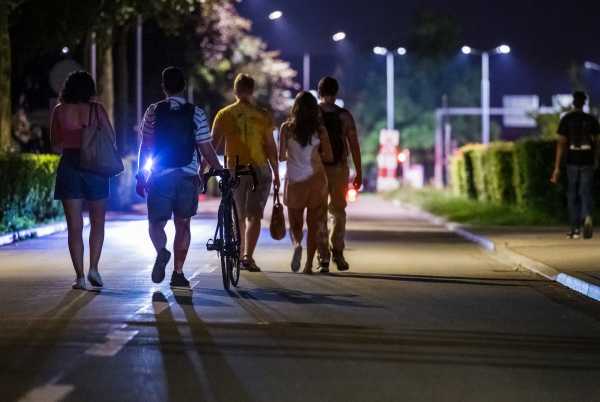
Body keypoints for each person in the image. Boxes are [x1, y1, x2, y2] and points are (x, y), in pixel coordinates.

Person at [136, 67, 223, 289]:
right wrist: (219, 169)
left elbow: (145, 146)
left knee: (156, 223)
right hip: (187, 176)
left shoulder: (153, 111)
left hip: (160, 176)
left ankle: (161, 251)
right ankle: (178, 272)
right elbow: (206, 148)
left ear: (164, 86)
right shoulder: (196, 113)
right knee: (183, 224)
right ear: (184, 86)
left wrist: (140, 175)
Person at [211, 74, 280, 272]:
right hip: (259, 170)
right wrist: (276, 173)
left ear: (235, 90)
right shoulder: (263, 115)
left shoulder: (224, 114)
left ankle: (239, 253)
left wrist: (202, 170)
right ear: (252, 91)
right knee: (254, 216)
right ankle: (248, 256)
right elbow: (270, 147)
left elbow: (212, 145)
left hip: (235, 170)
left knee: (238, 215)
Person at [50, 71, 110, 290]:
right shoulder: (97, 109)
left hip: (69, 166)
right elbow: (110, 138)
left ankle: (80, 277)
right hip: (95, 166)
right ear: (89, 89)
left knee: (74, 226)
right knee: (97, 222)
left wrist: (73, 139)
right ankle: (94, 268)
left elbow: (55, 143)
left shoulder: (59, 111)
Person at [279, 92, 333, 274]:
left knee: (295, 223)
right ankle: (309, 265)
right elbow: (329, 155)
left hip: (294, 180)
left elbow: (281, 156)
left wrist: (294, 155)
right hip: (316, 181)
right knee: (314, 224)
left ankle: (296, 245)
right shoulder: (320, 130)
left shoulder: (286, 129)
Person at [317, 77, 363, 272]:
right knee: (338, 211)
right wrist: (359, 172)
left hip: (316, 169)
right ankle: (338, 252)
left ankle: (323, 258)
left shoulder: (313, 114)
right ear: (336, 92)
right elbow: (353, 145)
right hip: (339, 168)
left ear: (319, 92)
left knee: (318, 213)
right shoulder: (345, 116)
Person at [551, 91, 600, 239]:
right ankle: (587, 217)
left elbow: (561, 144)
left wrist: (557, 168)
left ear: (573, 102)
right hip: (588, 160)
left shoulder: (566, 119)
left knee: (572, 194)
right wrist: (596, 160)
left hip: (572, 160)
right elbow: (597, 143)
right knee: (585, 192)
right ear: (584, 103)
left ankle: (574, 229)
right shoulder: (591, 119)